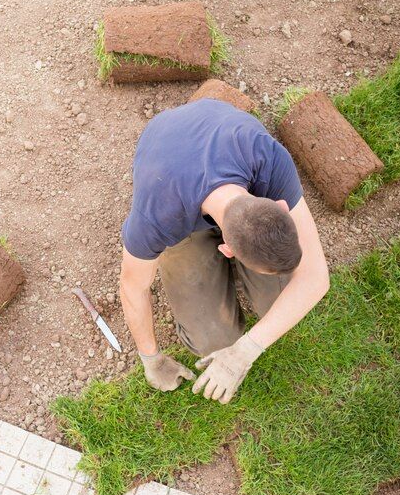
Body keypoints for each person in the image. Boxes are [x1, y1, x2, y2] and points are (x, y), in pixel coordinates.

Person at [119, 97, 330, 404]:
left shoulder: (269, 159)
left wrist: (246, 351)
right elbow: (132, 287)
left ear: (280, 206)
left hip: (220, 137)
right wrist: (151, 358)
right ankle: (209, 256)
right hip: (172, 175)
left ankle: (245, 270)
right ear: (227, 250)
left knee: (282, 300)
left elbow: (316, 278)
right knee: (213, 341)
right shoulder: (157, 216)